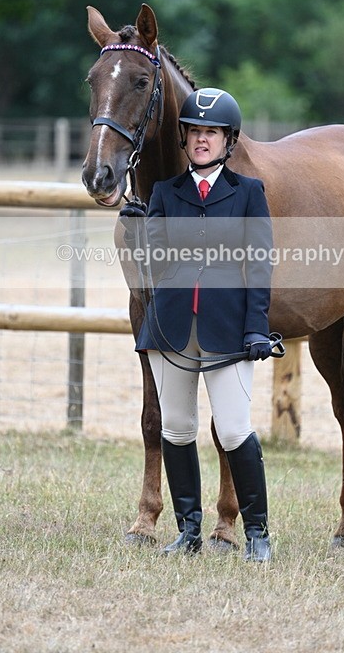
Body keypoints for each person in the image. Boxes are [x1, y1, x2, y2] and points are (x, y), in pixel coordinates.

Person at [121, 88, 273, 562]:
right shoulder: (164, 194)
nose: (202, 140)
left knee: (232, 430)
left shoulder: (248, 194)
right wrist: (137, 232)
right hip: (170, 329)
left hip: (228, 330)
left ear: (228, 141)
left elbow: (260, 267)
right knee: (177, 428)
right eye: (195, 133)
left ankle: (257, 534)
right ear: (184, 140)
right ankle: (188, 530)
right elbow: (156, 266)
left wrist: (256, 329)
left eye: (212, 132)